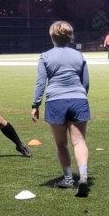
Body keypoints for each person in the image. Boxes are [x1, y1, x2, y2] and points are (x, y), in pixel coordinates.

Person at [31, 20, 91, 197]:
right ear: (70, 36)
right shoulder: (79, 56)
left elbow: (41, 82)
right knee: (79, 141)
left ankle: (67, 179)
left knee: (61, 144)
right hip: (79, 99)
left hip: (56, 101)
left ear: (52, 37)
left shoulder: (45, 56)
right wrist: (80, 95)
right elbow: (85, 82)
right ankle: (83, 177)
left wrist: (35, 104)